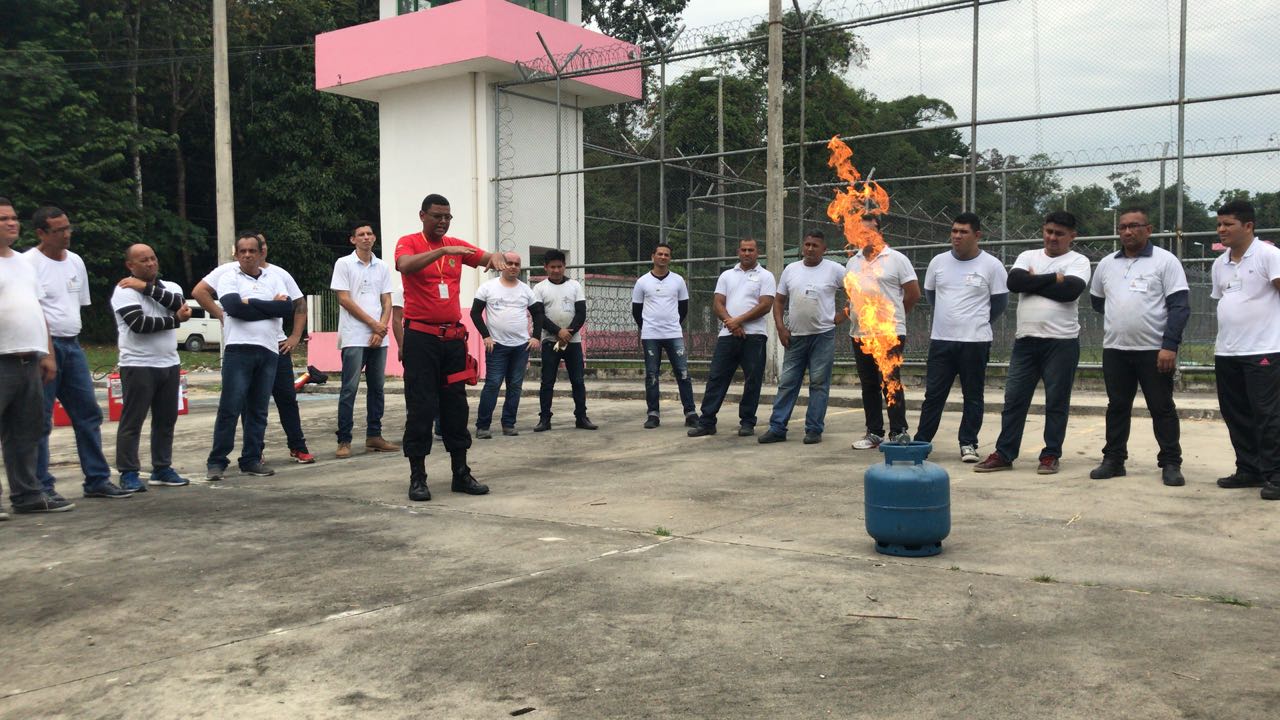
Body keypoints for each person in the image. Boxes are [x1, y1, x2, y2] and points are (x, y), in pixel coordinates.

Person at [395, 193, 508, 501]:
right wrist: (444, 250)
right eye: (437, 216)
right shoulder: (409, 242)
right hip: (421, 340)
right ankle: (418, 476)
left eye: (447, 217)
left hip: (452, 340)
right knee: (421, 406)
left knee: (456, 405)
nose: (443, 221)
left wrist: (496, 257)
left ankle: (461, 472)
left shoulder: (457, 246)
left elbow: (486, 258)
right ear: (423, 216)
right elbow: (404, 266)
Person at [25, 206, 132, 499]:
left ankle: (97, 480)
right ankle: (41, 486)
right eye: (59, 230)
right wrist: (46, 353)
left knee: (88, 414)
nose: (67, 234)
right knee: (41, 420)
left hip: (73, 345)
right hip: (41, 349)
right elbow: (31, 311)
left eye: (68, 227)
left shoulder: (75, 262)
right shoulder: (28, 264)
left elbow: (74, 305)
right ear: (41, 234)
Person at [975, 211, 1091, 474]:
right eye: (1049, 231)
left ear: (1072, 236)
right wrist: (1053, 278)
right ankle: (1005, 453)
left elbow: (1070, 291)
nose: (1052, 237)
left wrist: (1033, 282)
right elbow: (1014, 282)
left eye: (1059, 234)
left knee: (1056, 401)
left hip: (1061, 342)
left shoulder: (1079, 261)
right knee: (1014, 399)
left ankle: (1050, 455)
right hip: (1026, 342)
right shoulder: (1028, 256)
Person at [192, 232, 315, 464]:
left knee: (283, 399)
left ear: (262, 250)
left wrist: (295, 336)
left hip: (275, 347)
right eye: (243, 250)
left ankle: (295, 446)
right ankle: (243, 455)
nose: (249, 254)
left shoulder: (277, 274)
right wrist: (223, 314)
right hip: (240, 348)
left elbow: (292, 306)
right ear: (237, 253)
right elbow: (206, 295)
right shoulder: (227, 273)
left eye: (255, 248)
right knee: (239, 405)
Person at [1088, 207, 1189, 486]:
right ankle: (1114, 460)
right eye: (1123, 227)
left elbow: (1179, 307)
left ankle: (1170, 463)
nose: (1128, 232)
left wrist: (1169, 346)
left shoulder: (1165, 261)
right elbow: (1098, 301)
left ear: (1149, 229)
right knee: (1117, 406)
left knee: (1161, 407)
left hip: (1155, 351)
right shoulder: (1107, 263)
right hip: (1116, 349)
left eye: (1135, 226)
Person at [913, 213, 1009, 461]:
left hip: (975, 342)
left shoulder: (992, 265)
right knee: (934, 394)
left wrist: (976, 323)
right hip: (941, 341)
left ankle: (968, 443)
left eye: (963, 232)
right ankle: (922, 441)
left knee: (973, 395)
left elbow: (999, 303)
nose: (956, 236)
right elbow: (931, 295)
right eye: (954, 231)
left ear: (977, 235)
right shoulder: (938, 262)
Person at [0, 196, 74, 515]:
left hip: (28, 359)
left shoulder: (22, 262)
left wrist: (47, 354)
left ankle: (27, 495)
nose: (12, 222)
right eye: (3, 219)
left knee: (25, 432)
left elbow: (38, 310)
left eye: (13, 217)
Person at [1209, 200, 1280, 501]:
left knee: (1267, 414)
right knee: (1235, 413)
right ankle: (1248, 469)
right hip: (1227, 351)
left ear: (1248, 226)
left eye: (1228, 224)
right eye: (1219, 224)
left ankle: (1275, 474)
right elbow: (1223, 300)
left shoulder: (1268, 255)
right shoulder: (1219, 263)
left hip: (1264, 349)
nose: (1221, 230)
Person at [111, 244, 193, 491]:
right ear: (130, 266)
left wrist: (146, 288)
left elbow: (179, 302)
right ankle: (128, 472)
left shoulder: (171, 287)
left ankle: (162, 468)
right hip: (138, 363)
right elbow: (139, 324)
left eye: (153, 258)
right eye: (143, 260)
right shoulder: (124, 290)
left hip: (169, 362)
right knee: (132, 420)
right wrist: (175, 320)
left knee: (166, 420)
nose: (150, 263)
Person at [759, 230, 847, 445]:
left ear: (824, 249)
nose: (809, 249)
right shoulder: (791, 269)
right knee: (788, 383)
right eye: (806, 244)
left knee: (818, 383)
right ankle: (777, 428)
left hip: (823, 335)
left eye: (815, 245)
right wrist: (780, 327)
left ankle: (814, 429)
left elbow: (857, 293)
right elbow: (779, 301)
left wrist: (843, 315)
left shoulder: (835, 270)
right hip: (795, 336)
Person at [846, 216, 920, 450]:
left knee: (890, 383)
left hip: (889, 333)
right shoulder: (853, 262)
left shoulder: (896, 259)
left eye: (870, 231)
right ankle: (874, 433)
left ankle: (898, 432)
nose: (866, 235)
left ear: (879, 232)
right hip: (860, 333)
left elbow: (913, 294)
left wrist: (893, 319)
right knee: (868, 384)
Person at [688, 238, 775, 438]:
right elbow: (718, 302)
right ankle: (707, 422)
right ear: (738, 252)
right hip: (727, 336)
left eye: (751, 250)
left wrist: (738, 321)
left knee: (752, 380)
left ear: (757, 252)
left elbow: (765, 305)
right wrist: (731, 322)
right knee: (717, 377)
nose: (747, 253)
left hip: (755, 337)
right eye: (743, 250)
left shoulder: (766, 276)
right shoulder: (727, 275)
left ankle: (747, 422)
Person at [329, 221, 398, 458]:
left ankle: (374, 436)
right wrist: (373, 325)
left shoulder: (382, 266)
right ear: (353, 239)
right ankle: (344, 440)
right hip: (354, 335)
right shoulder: (344, 264)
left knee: (377, 388)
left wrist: (381, 330)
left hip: (379, 337)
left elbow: (387, 300)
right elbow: (344, 300)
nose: (366, 237)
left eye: (369, 234)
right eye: (361, 234)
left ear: (374, 238)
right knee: (349, 388)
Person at [470, 252, 544, 438]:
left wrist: (535, 337)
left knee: (515, 386)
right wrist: (486, 336)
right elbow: (475, 313)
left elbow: (538, 314)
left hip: (521, 347)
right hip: (496, 346)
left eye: (516, 264)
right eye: (509, 263)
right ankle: (483, 426)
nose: (513, 267)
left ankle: (508, 424)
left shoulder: (526, 290)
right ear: (502, 265)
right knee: (493, 384)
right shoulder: (488, 287)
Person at [632, 243, 696, 429]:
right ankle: (653, 414)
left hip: (673, 334)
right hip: (650, 335)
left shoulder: (678, 281)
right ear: (653, 256)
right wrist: (648, 328)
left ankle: (690, 413)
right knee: (652, 375)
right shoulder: (642, 282)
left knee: (683, 373)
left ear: (670, 258)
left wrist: (672, 324)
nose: (663, 257)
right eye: (659, 254)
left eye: (666, 254)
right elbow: (637, 311)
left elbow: (683, 308)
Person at [532, 249, 596, 432]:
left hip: (572, 342)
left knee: (577, 380)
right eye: (552, 267)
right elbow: (539, 316)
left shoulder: (575, 286)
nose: (556, 270)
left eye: (559, 266)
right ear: (545, 267)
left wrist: (569, 332)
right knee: (547, 381)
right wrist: (558, 331)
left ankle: (581, 417)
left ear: (564, 266)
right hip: (550, 342)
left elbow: (581, 313)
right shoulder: (539, 288)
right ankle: (544, 419)